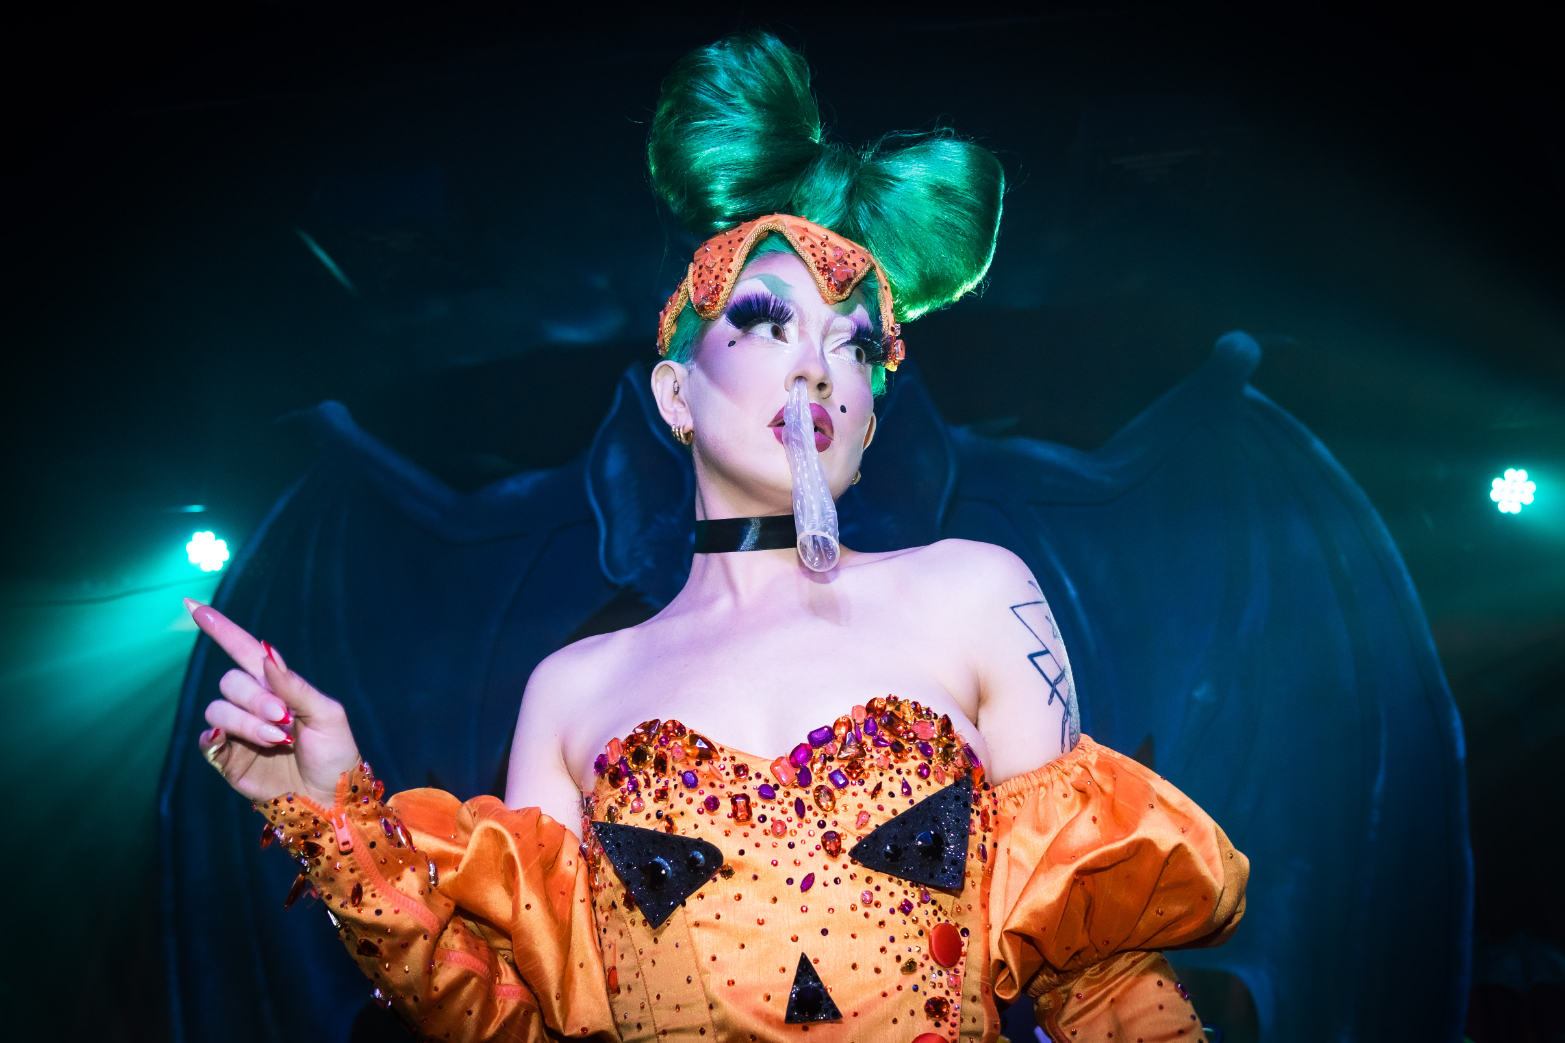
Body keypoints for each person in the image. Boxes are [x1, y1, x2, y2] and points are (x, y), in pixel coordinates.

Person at [188, 31, 1248, 1043]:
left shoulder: (972, 595)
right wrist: (332, 819)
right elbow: (519, 1016)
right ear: (674, 394)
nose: (815, 368)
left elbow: (1100, 976)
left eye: (854, 346)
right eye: (764, 322)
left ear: (871, 418)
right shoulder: (571, 688)